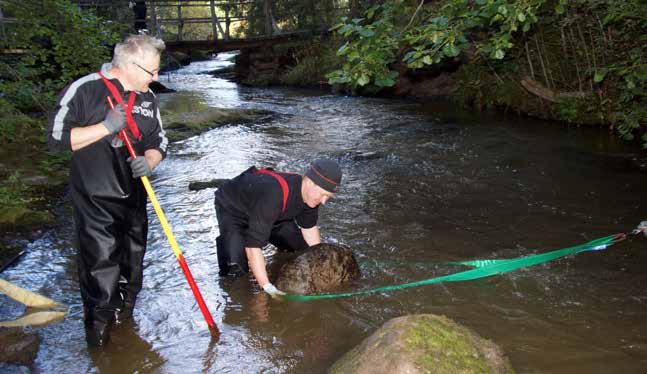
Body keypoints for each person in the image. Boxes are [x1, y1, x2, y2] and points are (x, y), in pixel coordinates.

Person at [46, 34, 168, 347]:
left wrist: (149, 162)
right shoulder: (85, 89)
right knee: (102, 273)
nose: (155, 78)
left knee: (133, 271)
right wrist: (106, 127)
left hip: (135, 200)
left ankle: (126, 336)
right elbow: (57, 140)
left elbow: (159, 143)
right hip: (95, 200)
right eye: (151, 71)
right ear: (128, 65)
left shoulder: (148, 99)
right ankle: (100, 346)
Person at [214, 159, 342, 296]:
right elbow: (253, 246)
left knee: (299, 247)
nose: (323, 201)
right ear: (310, 182)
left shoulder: (310, 198)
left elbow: (309, 229)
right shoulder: (274, 195)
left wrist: (322, 262)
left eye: (328, 197)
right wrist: (267, 286)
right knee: (235, 272)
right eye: (323, 194)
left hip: (268, 214)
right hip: (233, 209)